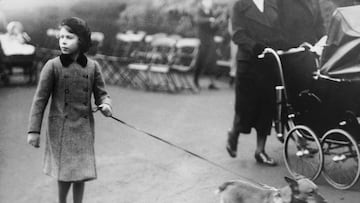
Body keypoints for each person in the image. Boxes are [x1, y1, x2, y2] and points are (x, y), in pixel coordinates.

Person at [27, 17, 112, 203]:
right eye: (61, 37)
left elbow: (102, 94)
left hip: (84, 128)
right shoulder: (52, 66)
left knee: (81, 171)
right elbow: (40, 101)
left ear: (81, 40)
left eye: (69, 37)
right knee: (65, 173)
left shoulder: (92, 66)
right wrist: (34, 131)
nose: (63, 41)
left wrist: (106, 105)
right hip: (61, 129)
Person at [226, 0, 287, 166]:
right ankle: (234, 133)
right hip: (249, 63)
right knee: (245, 107)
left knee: (266, 107)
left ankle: (260, 151)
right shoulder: (240, 5)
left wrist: (281, 44)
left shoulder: (273, 4)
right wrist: (256, 47)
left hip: (268, 63)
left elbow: (279, 30)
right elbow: (238, 35)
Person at [193, 0, 219, 90]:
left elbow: (213, 29)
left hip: (210, 39)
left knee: (211, 61)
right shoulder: (200, 11)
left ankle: (212, 83)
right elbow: (198, 20)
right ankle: (195, 81)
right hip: (202, 39)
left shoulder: (211, 12)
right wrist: (209, 19)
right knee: (200, 60)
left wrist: (216, 24)